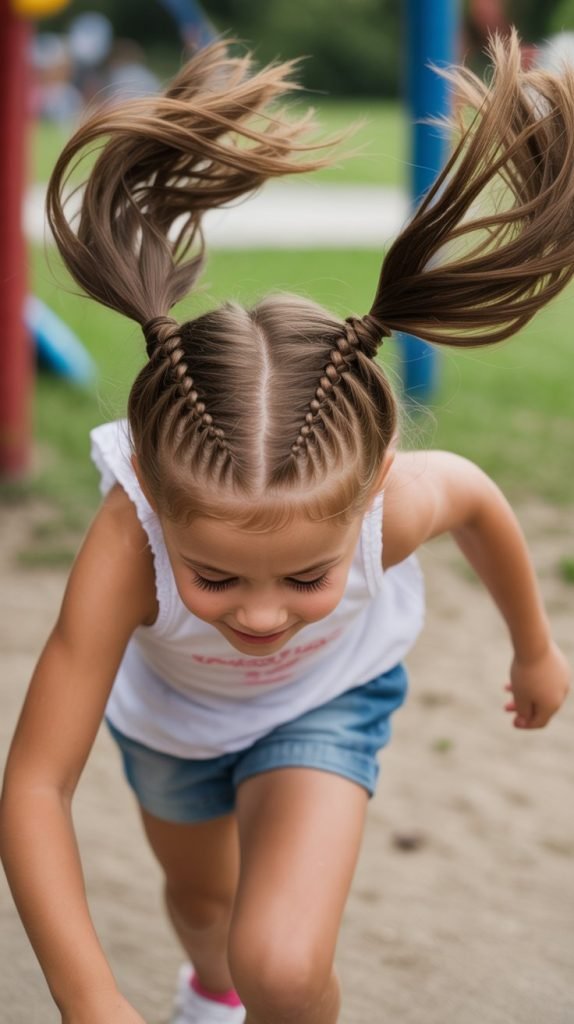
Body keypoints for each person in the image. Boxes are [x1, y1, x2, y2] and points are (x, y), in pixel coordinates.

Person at [1, 32, 572, 1024]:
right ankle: (206, 992)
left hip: (327, 699)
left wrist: (535, 649)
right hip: (172, 729)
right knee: (206, 906)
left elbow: (475, 496)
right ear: (146, 488)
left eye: (306, 574)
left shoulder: (390, 505)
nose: (262, 614)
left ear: (369, 493)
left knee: (282, 961)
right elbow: (37, 786)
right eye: (213, 577)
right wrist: (89, 996)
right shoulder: (126, 539)